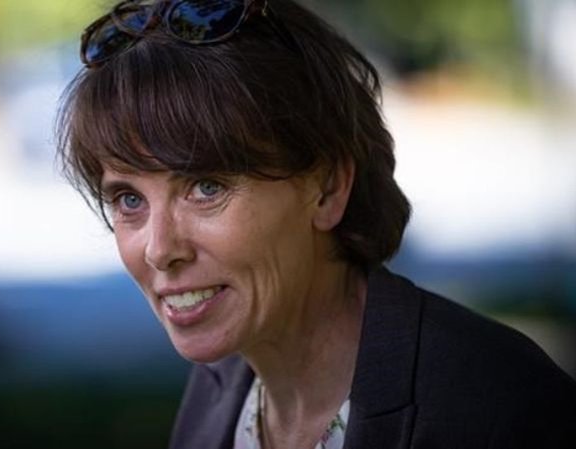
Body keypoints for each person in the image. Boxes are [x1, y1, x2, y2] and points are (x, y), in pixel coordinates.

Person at [56, 0, 576, 447]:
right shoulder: (219, 387)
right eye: (128, 199)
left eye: (206, 187)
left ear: (328, 187)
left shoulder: (498, 407)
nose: (158, 249)